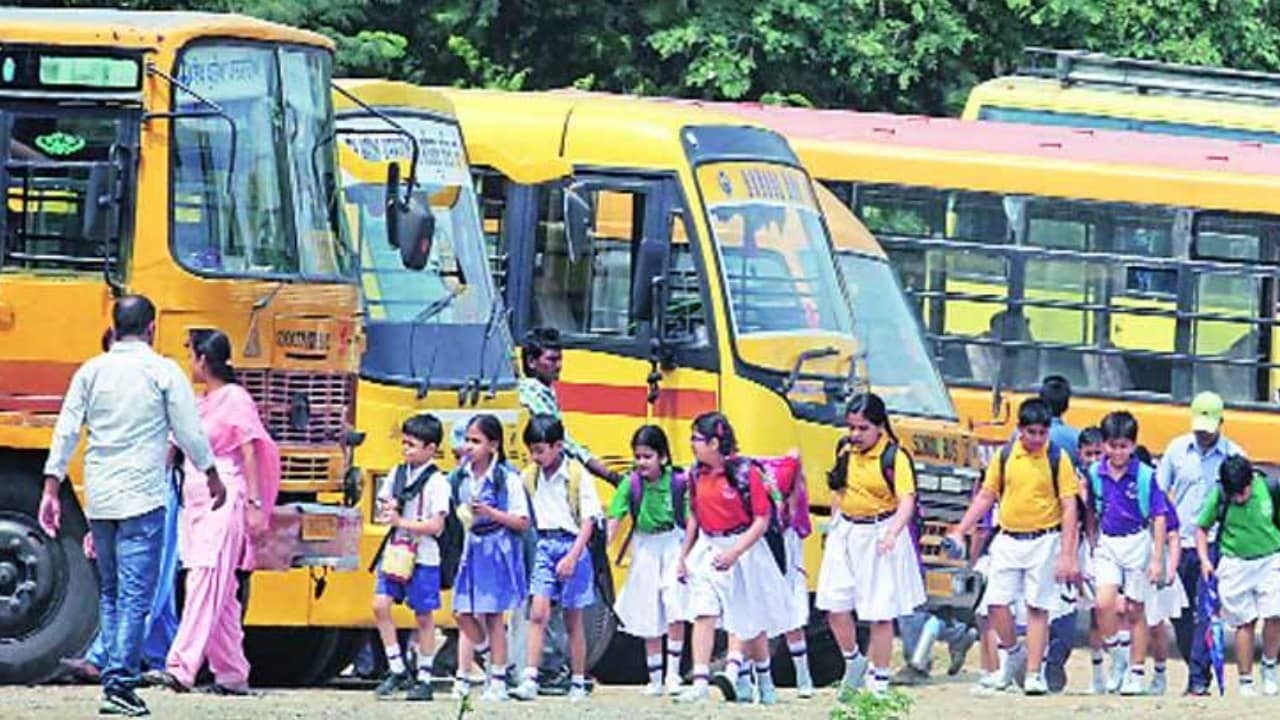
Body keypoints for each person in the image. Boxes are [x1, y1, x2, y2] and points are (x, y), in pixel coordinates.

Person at [41, 295, 225, 718]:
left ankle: (114, 675)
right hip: (143, 496)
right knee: (136, 594)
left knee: (111, 591)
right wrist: (210, 472)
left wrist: (52, 487)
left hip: (100, 499)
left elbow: (67, 429)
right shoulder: (163, 372)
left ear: (114, 324)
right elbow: (189, 429)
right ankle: (120, 684)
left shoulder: (92, 371)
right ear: (152, 328)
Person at [143, 330, 279, 697]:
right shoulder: (201, 401)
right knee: (221, 591)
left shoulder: (235, 399)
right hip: (196, 502)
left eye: (191, 356)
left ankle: (180, 667)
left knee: (204, 580)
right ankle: (232, 673)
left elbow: (249, 450)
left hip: (226, 499)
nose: (190, 364)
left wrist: (253, 504)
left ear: (203, 359)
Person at [947, 397, 1079, 696]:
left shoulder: (1057, 458)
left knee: (1037, 606)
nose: (1036, 439)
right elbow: (986, 495)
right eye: (1030, 432)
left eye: (1041, 433)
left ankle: (1033, 673)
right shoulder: (1005, 455)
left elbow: (1069, 506)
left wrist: (1068, 555)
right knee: (995, 604)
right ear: (1019, 429)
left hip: (1044, 539)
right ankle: (1013, 651)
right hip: (1007, 538)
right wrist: (961, 529)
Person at [515, 327, 613, 687]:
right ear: (531, 361)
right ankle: (549, 666)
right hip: (544, 520)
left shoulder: (545, 394)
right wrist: (602, 469)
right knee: (547, 602)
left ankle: (553, 668)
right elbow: (564, 442)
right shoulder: (532, 396)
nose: (558, 366)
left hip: (558, 530)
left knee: (553, 603)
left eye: (560, 358)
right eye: (551, 359)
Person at [675, 412, 788, 705]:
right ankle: (700, 681)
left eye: (696, 439)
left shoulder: (745, 472)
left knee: (748, 619)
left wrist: (736, 553)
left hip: (744, 548)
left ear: (714, 442)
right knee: (703, 610)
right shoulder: (694, 474)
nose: (692, 444)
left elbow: (761, 520)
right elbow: (695, 518)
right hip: (709, 548)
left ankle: (763, 679)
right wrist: (684, 556)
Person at [819, 393, 927, 696]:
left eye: (862, 428)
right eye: (851, 427)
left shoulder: (894, 456)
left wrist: (893, 532)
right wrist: (834, 523)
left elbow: (907, 499)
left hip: (881, 532)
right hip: (847, 531)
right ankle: (853, 659)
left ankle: (879, 679)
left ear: (879, 426)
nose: (855, 435)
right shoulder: (844, 450)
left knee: (881, 612)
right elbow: (838, 488)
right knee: (834, 606)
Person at [1156, 391, 1245, 696]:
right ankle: (1197, 668)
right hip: (1179, 544)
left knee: (1206, 613)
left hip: (1215, 545)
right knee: (1180, 614)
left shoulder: (1235, 457)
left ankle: (1197, 679)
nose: (1203, 434)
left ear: (1221, 422)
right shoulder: (1177, 450)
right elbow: (1159, 491)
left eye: (1208, 428)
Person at [510, 416, 603, 703]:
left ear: (558, 446)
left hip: (571, 544)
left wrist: (573, 556)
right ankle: (530, 678)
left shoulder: (576, 476)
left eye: (540, 450)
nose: (535, 457)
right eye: (532, 451)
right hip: (543, 545)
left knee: (573, 618)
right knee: (537, 613)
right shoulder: (530, 476)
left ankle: (577, 679)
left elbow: (589, 519)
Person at [366, 414, 449, 701]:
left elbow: (436, 526)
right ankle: (397, 667)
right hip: (397, 552)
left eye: (412, 445)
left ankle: (424, 675)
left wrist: (401, 521)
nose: (406, 450)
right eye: (404, 444)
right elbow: (383, 505)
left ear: (431, 448)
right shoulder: (397, 474)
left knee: (424, 616)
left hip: (424, 555)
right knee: (380, 605)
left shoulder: (438, 482)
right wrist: (389, 510)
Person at [1087, 411, 1169, 696]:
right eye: (1112, 445)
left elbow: (1159, 517)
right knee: (1103, 603)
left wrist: (1157, 559)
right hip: (1108, 542)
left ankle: (1136, 671)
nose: (1117, 452)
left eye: (1123, 446)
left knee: (1136, 609)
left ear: (1133, 446)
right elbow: (1090, 510)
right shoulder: (1095, 473)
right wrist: (1092, 539)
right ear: (1104, 444)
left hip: (1137, 541)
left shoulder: (1146, 476)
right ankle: (1117, 651)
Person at [605, 425, 690, 697]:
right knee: (647, 611)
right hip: (645, 545)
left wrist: (687, 556)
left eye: (647, 456)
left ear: (663, 457)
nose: (641, 462)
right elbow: (615, 519)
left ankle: (673, 675)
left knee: (675, 606)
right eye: (638, 456)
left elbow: (691, 523)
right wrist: (602, 547)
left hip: (673, 542)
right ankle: (654, 679)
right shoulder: (631, 484)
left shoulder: (678, 483)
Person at [450, 414, 530, 702]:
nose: (469, 447)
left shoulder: (506, 478)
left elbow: (522, 521)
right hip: (472, 546)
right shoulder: (461, 475)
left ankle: (497, 680)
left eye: (476, 441)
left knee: (494, 615)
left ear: (493, 445)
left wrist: (490, 512)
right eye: (466, 440)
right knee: (460, 612)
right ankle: (495, 663)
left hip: (497, 546)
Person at [1195, 455, 1280, 697]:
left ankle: (1269, 665)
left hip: (1271, 558)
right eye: (1235, 495)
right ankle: (1245, 680)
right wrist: (1204, 560)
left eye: (1243, 492)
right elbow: (1201, 528)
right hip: (1235, 563)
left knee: (1275, 614)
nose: (1239, 499)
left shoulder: (1270, 486)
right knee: (1245, 622)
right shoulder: (1220, 495)